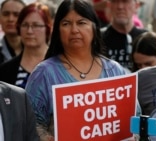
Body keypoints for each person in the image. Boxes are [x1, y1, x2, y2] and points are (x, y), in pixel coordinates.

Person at [25, 0, 127, 140]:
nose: (74, 30)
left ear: (94, 28)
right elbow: (30, 122)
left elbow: (133, 116)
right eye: (66, 24)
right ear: (58, 30)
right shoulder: (44, 73)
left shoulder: (114, 70)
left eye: (81, 23)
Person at [0, 2, 52, 89]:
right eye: (25, 25)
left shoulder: (62, 63)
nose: (29, 31)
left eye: (36, 25)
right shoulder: (5, 70)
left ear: (47, 28)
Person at [102, 0, 148, 72]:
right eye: (115, 1)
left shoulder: (146, 39)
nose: (120, 7)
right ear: (109, 5)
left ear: (136, 6)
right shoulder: (97, 38)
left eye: (126, 1)